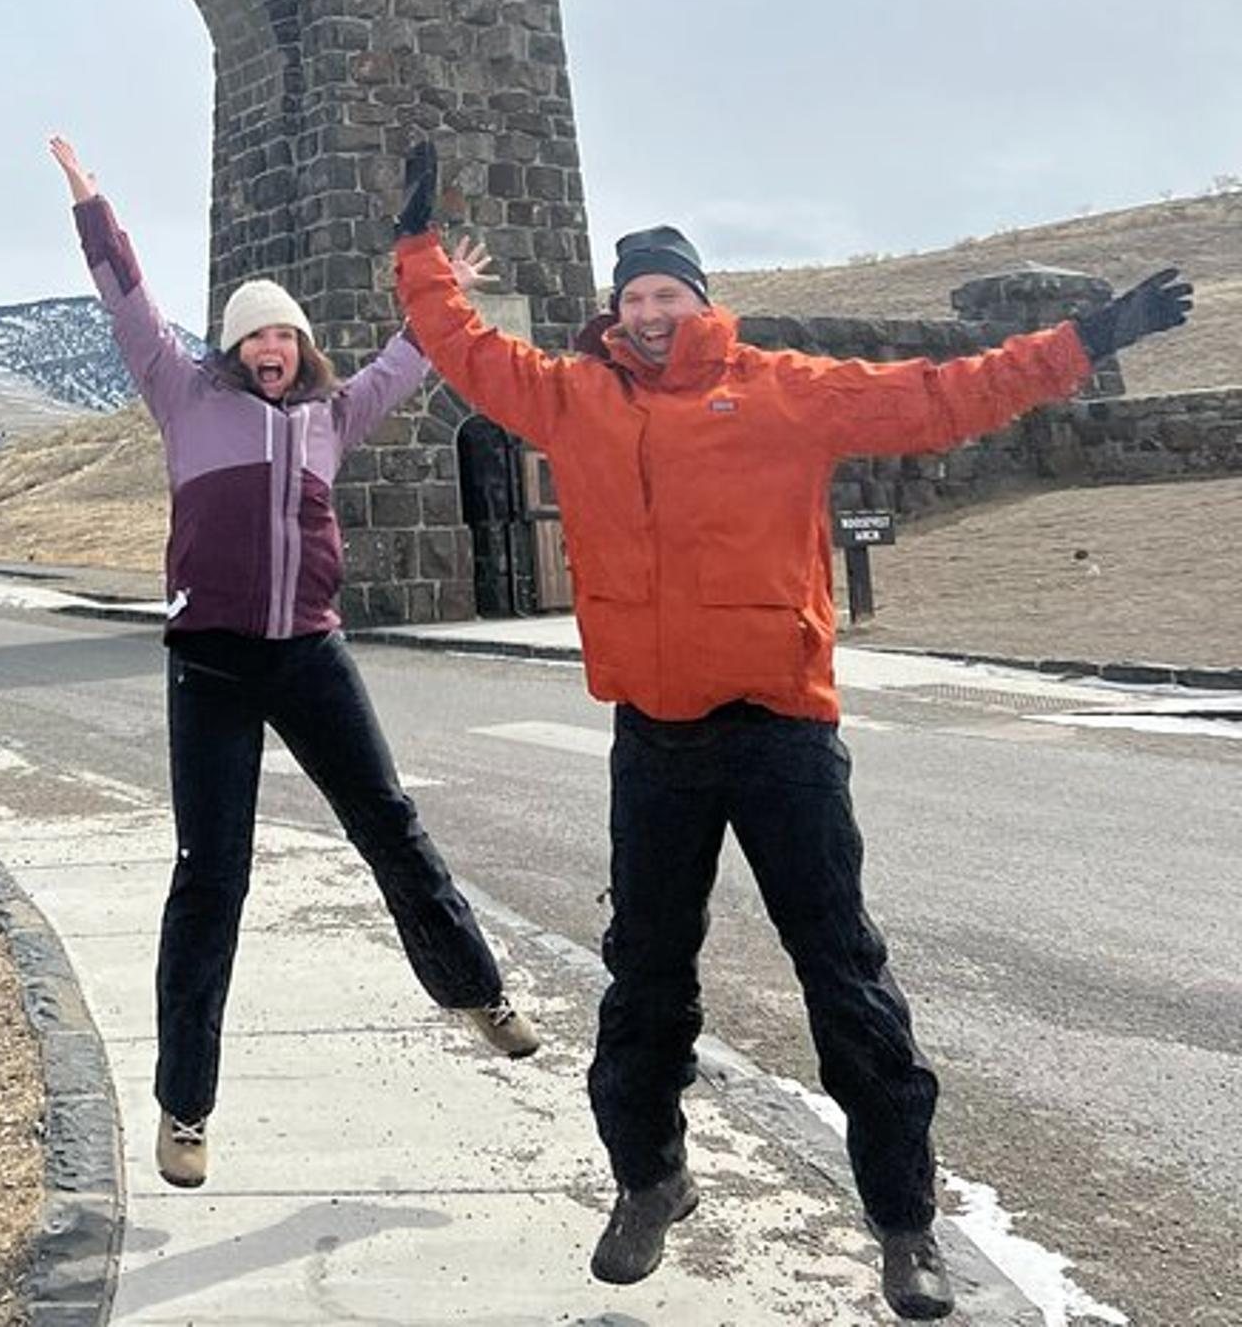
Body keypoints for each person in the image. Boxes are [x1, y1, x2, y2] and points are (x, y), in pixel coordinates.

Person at [390, 140, 1190, 1320]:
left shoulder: (781, 390)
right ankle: (648, 1176)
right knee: (643, 977)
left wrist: (1081, 343)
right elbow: (460, 344)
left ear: (701, 303)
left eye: (669, 294)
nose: (651, 314)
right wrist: (416, 253)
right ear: (613, 311)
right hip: (655, 741)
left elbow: (939, 397)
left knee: (842, 975)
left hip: (779, 736)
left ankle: (902, 1222)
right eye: (634, 298)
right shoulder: (573, 399)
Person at [48, 135, 541, 1191]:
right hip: (213, 666)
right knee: (209, 879)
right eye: (252, 337)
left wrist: (446, 284)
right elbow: (127, 302)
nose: (270, 347)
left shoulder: (332, 413)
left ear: (301, 347)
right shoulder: (185, 398)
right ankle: (185, 1109)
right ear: (230, 350)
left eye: (283, 335)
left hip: (310, 654)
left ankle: (474, 993)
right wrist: (93, 206)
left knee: (390, 828)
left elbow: (417, 351)